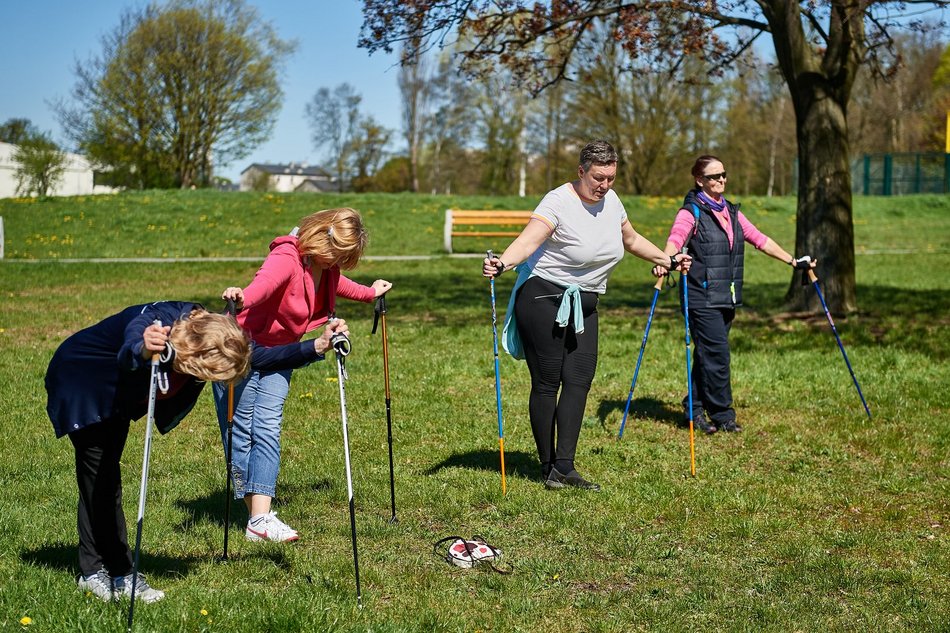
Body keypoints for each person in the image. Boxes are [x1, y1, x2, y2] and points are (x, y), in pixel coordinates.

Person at [45, 301, 349, 603]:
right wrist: (143, 347)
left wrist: (317, 345)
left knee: (101, 479)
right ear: (197, 355)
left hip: (119, 394)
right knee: (102, 480)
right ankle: (107, 573)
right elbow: (130, 348)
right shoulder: (156, 322)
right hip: (83, 383)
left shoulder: (212, 332)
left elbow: (259, 357)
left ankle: (105, 568)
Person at [482, 140, 690, 492]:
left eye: (610, 177)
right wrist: (503, 262)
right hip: (543, 297)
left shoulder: (612, 202)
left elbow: (631, 238)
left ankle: (565, 466)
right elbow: (530, 239)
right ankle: (546, 465)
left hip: (586, 305)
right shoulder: (558, 200)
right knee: (548, 382)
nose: (604, 185)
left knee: (579, 380)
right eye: (597, 177)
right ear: (581, 172)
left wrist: (666, 260)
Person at [219, 208, 391, 542]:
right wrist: (241, 299)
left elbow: (341, 285)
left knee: (267, 427)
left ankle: (259, 520)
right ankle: (253, 508)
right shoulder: (287, 257)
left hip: (281, 354)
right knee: (241, 434)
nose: (337, 263)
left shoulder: (325, 267)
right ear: (322, 239)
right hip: (240, 350)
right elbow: (263, 286)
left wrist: (371, 292)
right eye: (337, 255)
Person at [653, 155, 815, 434]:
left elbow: (760, 239)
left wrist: (792, 261)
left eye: (723, 175)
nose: (721, 180)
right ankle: (722, 414)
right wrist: (666, 261)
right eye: (714, 176)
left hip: (725, 296)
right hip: (700, 295)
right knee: (717, 355)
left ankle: (694, 409)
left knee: (707, 355)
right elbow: (676, 239)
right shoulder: (690, 212)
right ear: (699, 180)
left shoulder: (730, 211)